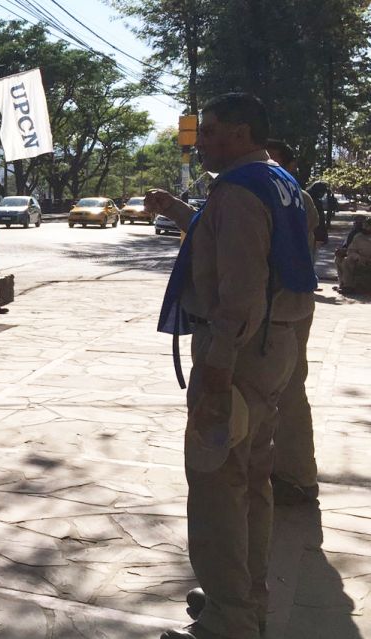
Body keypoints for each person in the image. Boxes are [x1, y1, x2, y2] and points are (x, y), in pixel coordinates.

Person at [146, 93, 316, 639]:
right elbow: (250, 246)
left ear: (241, 133)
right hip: (274, 349)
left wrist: (217, 367)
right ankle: (245, 597)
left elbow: (241, 290)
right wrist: (181, 212)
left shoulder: (240, 190)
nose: (203, 140)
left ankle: (228, 620)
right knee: (252, 478)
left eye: (212, 130)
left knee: (218, 481)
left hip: (237, 355)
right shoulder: (281, 183)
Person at [265, 140, 322, 506]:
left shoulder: (273, 191)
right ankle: (295, 472)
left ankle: (293, 477)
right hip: (296, 299)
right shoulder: (298, 195)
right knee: (288, 388)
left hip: (279, 306)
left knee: (281, 390)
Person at [335, 215, 371, 294]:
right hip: (360, 259)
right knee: (346, 260)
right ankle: (346, 285)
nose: (365, 228)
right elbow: (351, 250)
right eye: (364, 226)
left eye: (367, 226)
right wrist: (356, 256)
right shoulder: (358, 236)